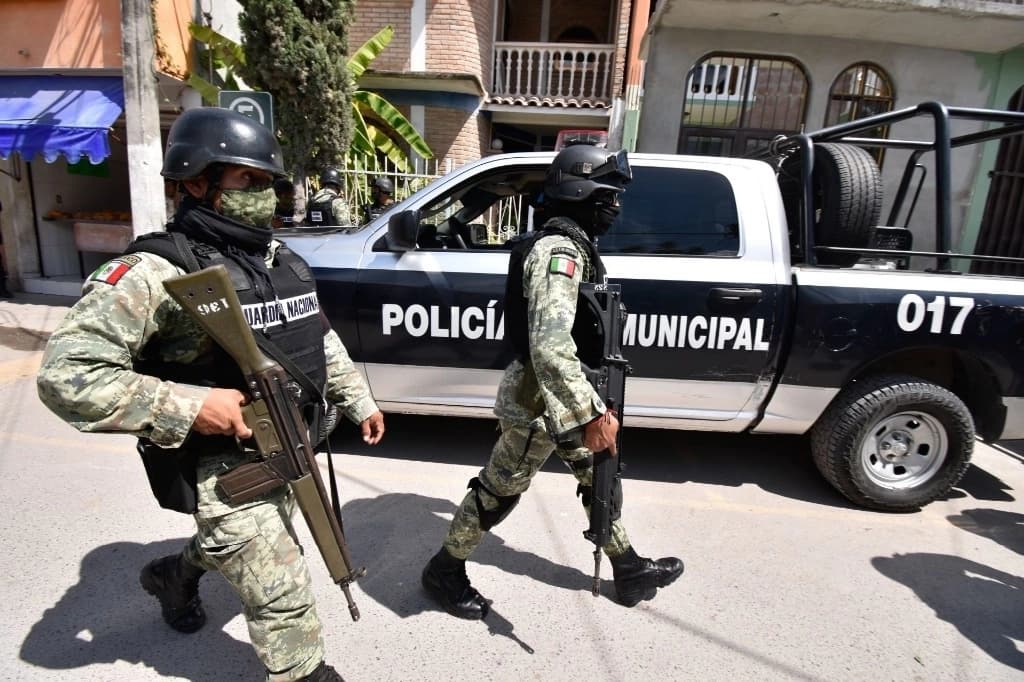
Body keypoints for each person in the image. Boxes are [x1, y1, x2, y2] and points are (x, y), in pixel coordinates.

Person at [36, 107, 385, 682]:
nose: (266, 195)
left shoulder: (281, 260)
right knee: (282, 590)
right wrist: (192, 406)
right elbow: (66, 375)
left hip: (289, 444)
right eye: (247, 180)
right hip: (220, 466)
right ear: (195, 182)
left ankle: (175, 574)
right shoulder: (153, 272)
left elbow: (316, 337)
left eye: (270, 182)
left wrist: (358, 399)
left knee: (243, 546)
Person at [420, 145, 683, 620]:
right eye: (609, 195)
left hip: (563, 394)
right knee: (497, 492)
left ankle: (628, 568)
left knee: (597, 477)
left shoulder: (574, 245)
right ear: (581, 192)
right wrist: (592, 414)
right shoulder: (557, 251)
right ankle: (444, 570)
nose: (615, 206)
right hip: (540, 404)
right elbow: (549, 345)